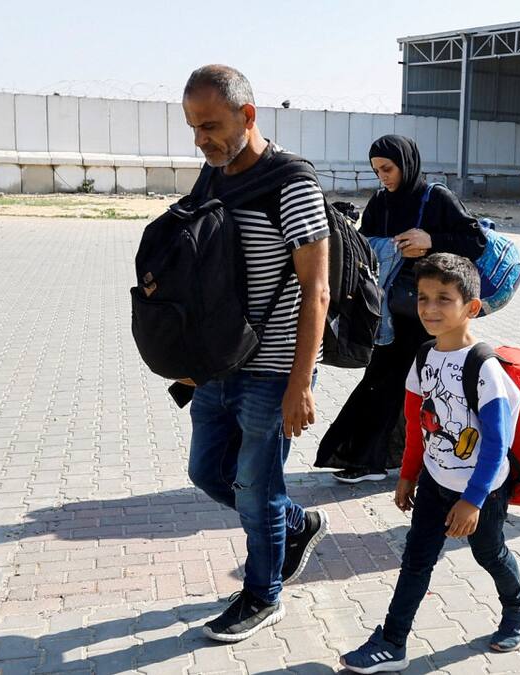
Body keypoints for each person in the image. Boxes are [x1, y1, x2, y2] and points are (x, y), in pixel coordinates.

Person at [178, 64, 331, 642]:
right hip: (218, 364)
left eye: (211, 126)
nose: (201, 140)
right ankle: (296, 524)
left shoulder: (291, 183)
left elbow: (317, 290)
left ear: (248, 115)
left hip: (273, 371)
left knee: (256, 488)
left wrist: (301, 383)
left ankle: (264, 595)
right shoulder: (213, 175)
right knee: (207, 472)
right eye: (194, 128)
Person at [339, 254, 520, 672]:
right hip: (434, 481)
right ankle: (393, 641)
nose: (429, 308)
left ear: (471, 307)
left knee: (490, 554)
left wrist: (473, 501)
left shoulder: (484, 367)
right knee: (416, 560)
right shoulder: (425, 356)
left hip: (482, 491)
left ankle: (519, 607)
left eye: (443, 298)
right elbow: (416, 424)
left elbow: (497, 444)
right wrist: (408, 475)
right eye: (423, 297)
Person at [315, 135, 486, 484]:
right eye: (377, 171)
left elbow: (475, 241)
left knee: (413, 385)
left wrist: (430, 241)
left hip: (431, 315)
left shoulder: (436, 198)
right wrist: (390, 247)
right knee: (387, 382)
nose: (383, 177)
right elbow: (363, 246)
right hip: (391, 313)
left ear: (406, 164)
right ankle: (377, 458)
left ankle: (383, 460)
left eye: (388, 169)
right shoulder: (381, 201)